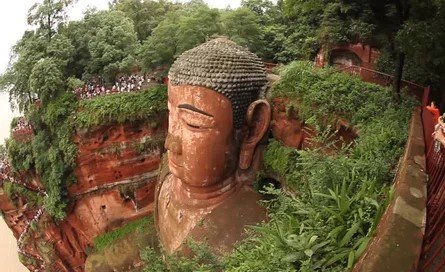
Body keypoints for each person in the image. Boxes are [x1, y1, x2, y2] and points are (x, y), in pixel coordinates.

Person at [156, 37, 270, 255]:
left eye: (193, 124)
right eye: (171, 115)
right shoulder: (166, 175)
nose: (170, 142)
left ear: (251, 130)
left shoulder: (252, 231)